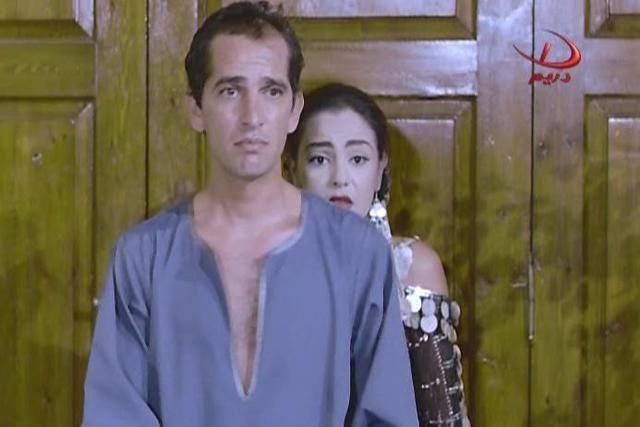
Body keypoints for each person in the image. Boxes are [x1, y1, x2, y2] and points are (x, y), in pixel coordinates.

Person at [83, 3, 418, 426]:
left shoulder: (357, 253)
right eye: (230, 91)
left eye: (271, 91)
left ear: (294, 110)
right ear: (196, 109)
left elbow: (386, 416)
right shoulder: (142, 258)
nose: (252, 116)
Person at [285, 83, 471, 426]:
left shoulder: (411, 266)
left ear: (380, 167)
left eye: (358, 159)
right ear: (293, 168)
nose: (340, 179)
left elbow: (443, 416)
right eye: (320, 159)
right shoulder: (271, 266)